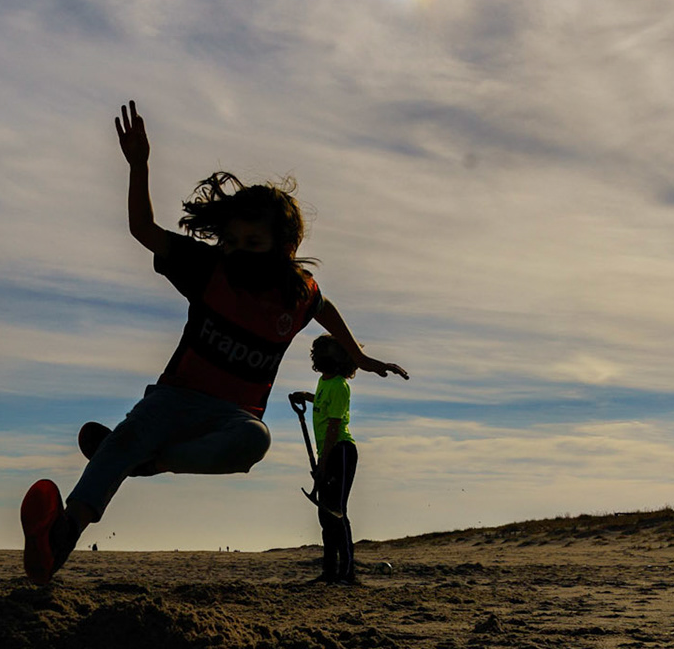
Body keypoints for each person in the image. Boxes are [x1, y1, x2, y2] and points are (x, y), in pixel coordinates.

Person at [20, 101, 407, 585]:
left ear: (284, 248)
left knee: (256, 441)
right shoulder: (211, 270)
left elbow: (324, 308)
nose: (241, 252)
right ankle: (60, 537)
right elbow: (143, 231)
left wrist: (360, 355)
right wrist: (139, 166)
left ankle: (154, 462)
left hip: (233, 419)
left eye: (254, 243)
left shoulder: (295, 292)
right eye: (235, 241)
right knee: (119, 444)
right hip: (173, 398)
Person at [288, 334, 363, 584]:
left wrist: (323, 463)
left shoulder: (340, 385)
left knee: (336, 512)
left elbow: (333, 426)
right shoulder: (324, 382)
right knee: (325, 515)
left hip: (340, 451)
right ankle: (329, 572)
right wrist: (306, 395)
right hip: (329, 453)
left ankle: (347, 573)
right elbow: (322, 401)